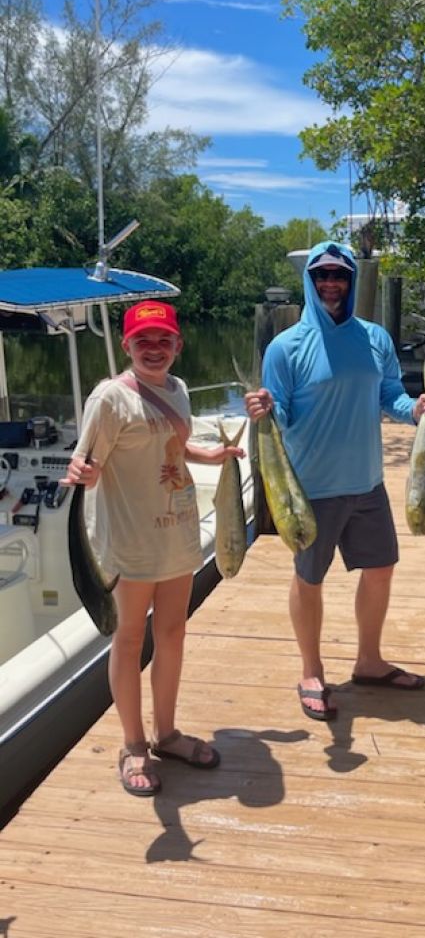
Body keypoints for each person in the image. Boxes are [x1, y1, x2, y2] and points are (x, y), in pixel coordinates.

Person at [244, 242, 425, 721]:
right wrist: (265, 409)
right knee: (309, 577)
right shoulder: (285, 347)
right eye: (322, 275)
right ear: (310, 281)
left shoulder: (375, 338)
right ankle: (311, 671)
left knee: (381, 568)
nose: (331, 283)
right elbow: (282, 414)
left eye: (340, 275)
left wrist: (416, 410)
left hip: (368, 482)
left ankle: (369, 661)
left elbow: (390, 395)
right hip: (311, 489)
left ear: (351, 281)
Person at [62, 301, 245, 795]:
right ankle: (133, 744)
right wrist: (83, 472)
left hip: (177, 533)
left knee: (172, 635)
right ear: (126, 345)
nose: (154, 349)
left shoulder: (178, 390)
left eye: (164, 340)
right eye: (143, 340)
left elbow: (174, 446)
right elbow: (88, 465)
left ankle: (167, 733)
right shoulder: (110, 399)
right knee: (128, 640)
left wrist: (211, 455)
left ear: (178, 345)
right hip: (130, 542)